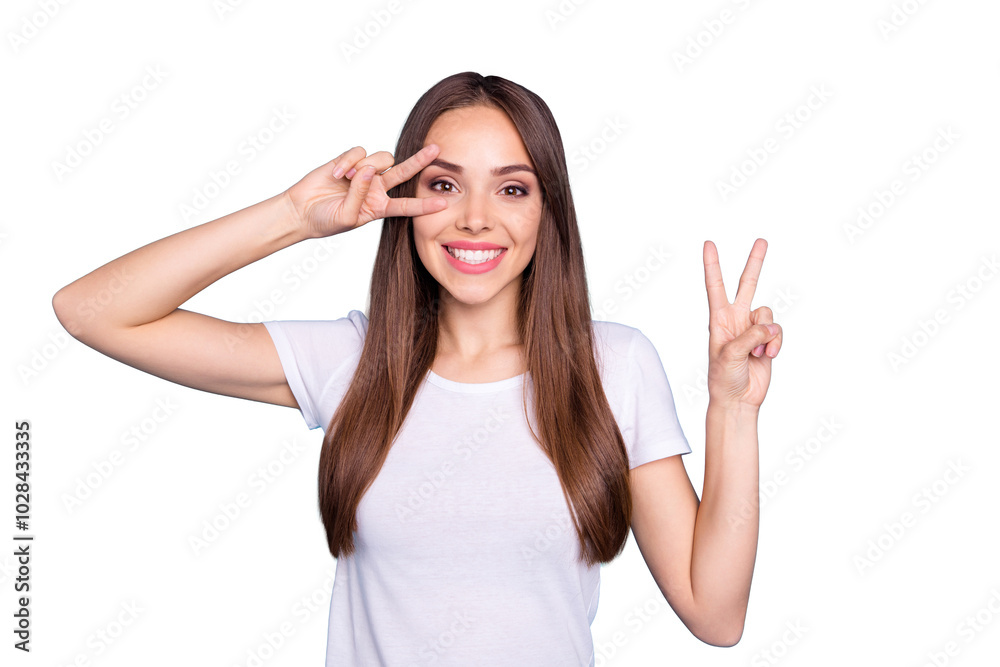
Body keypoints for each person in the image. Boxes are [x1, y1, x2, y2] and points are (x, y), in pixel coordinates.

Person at [52, 71, 782, 666]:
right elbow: (94, 310)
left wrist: (734, 410)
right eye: (443, 185)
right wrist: (293, 215)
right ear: (405, 200)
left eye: (512, 187)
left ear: (547, 211)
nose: (474, 218)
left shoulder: (613, 366)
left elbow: (714, 613)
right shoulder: (355, 362)